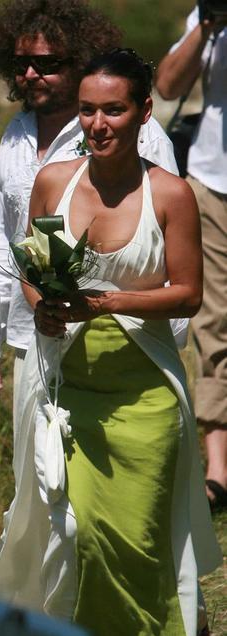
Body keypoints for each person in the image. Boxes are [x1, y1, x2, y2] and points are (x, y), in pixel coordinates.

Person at [0, 49, 221, 636]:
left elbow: (189, 293)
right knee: (71, 538)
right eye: (87, 110)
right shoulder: (54, 180)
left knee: (134, 544)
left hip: (142, 395)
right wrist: (42, 306)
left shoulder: (169, 194)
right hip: (64, 391)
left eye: (114, 109)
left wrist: (107, 304)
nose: (98, 123)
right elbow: (34, 268)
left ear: (143, 112)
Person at [0, 0, 179, 408]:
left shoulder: (138, 134)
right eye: (21, 63)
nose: (30, 74)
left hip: (127, 345)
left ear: (81, 61)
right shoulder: (15, 133)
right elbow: (3, 242)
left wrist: (166, 349)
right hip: (35, 336)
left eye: (47, 63)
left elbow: (162, 246)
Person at [156, 4, 227, 511]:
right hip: (212, 182)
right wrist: (206, 24)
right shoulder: (209, 18)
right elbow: (167, 85)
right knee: (215, 324)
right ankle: (220, 469)